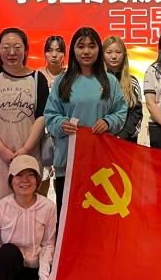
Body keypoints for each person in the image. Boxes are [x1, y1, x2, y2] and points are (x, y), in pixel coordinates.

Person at [44, 28, 127, 257]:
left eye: (91, 46)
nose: (86, 52)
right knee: (68, 217)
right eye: (81, 46)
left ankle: (96, 265)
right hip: (68, 163)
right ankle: (69, 265)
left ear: (98, 49)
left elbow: (121, 112)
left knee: (97, 220)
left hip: (100, 165)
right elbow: (50, 114)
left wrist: (108, 122)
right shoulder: (62, 81)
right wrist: (61, 124)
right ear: (73, 50)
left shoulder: (109, 81)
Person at [0, 28, 50, 209]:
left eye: (17, 47)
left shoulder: (38, 79)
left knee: (28, 206)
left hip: (29, 155)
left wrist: (26, 149)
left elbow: (41, 118)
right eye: (6, 47)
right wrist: (2, 150)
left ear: (26, 49)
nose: (12, 52)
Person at [37, 35, 66, 195]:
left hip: (63, 133)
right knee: (41, 179)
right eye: (50, 50)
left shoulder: (70, 76)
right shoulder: (37, 76)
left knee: (62, 180)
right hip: (42, 134)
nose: (54, 55)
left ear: (64, 54)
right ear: (44, 54)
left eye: (58, 51)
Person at [102, 36, 143, 143]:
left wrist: (122, 136)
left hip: (125, 142)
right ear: (102, 55)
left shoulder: (132, 82)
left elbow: (136, 114)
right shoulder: (96, 80)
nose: (114, 56)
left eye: (118, 52)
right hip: (101, 139)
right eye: (109, 52)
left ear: (124, 54)